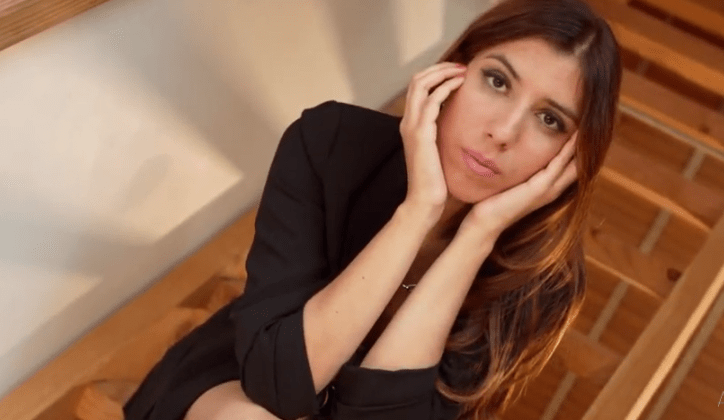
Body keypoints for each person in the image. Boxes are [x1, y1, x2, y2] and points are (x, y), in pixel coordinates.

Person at [122, 0, 621, 419]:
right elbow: (276, 385)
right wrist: (418, 210)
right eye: (496, 81)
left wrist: (477, 237)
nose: (504, 131)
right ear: (452, 73)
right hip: (237, 384)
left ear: (572, 155)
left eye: (549, 120)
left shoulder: (545, 282)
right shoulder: (331, 143)